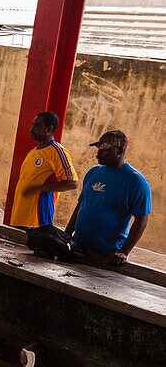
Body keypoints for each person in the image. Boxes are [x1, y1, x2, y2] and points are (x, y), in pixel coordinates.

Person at [65, 130, 152, 265]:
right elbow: (81, 204)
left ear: (120, 150)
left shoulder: (136, 181)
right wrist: (67, 234)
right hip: (78, 248)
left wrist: (124, 252)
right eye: (99, 148)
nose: (99, 153)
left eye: (105, 149)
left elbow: (142, 219)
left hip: (106, 255)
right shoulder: (93, 172)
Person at [8, 111, 79, 228]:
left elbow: (72, 183)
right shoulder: (33, 152)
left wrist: (41, 188)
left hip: (37, 218)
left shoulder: (57, 151)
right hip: (20, 215)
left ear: (49, 129)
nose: (32, 129)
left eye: (37, 126)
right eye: (33, 124)